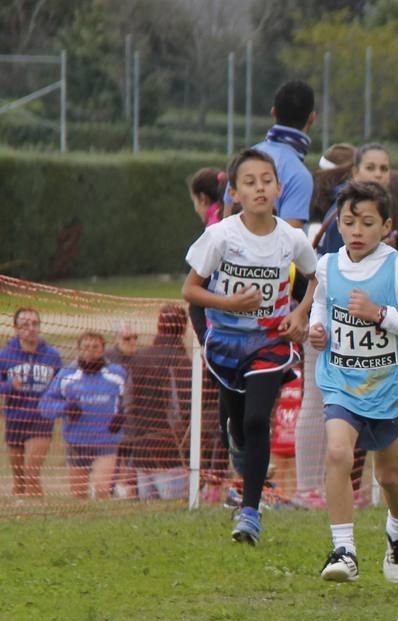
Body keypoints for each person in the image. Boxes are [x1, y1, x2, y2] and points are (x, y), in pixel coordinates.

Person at [183, 147, 317, 544]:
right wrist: (229, 304)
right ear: (235, 195)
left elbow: (315, 278)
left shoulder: (292, 238)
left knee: (259, 420)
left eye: (267, 180)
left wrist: (300, 314)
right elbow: (189, 289)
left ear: (278, 188)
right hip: (225, 343)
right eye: (250, 182)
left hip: (270, 342)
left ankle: (250, 512)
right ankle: (238, 445)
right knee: (237, 426)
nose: (260, 188)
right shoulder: (220, 235)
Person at [307, 181, 398, 582]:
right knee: (338, 454)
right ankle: (344, 551)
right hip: (339, 381)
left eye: (367, 223)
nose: (357, 231)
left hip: (384, 388)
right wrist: (316, 328)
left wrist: (379, 314)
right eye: (349, 222)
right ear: (339, 225)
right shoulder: (327, 265)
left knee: (390, 477)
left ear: (387, 225)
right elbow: (321, 302)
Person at [39, 332, 128, 500]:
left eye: (95, 347)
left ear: (103, 350)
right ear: (79, 349)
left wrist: (122, 417)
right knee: (79, 495)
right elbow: (45, 406)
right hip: (77, 442)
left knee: (102, 489)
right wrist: (66, 407)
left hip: (106, 441)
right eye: (86, 347)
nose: (90, 351)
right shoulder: (67, 375)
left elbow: (131, 400)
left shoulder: (117, 374)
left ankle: (106, 517)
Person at [123, 304, 193, 501]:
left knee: (149, 516)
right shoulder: (181, 361)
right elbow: (181, 410)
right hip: (171, 454)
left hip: (141, 450)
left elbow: (127, 405)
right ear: (183, 327)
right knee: (174, 512)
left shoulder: (139, 358)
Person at [229, 80, 316, 230]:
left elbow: (227, 221)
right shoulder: (299, 175)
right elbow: (290, 246)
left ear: (273, 112)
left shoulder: (243, 161)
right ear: (312, 118)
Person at [1, 308, 63, 496]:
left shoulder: (52, 355)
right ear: (16, 328)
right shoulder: (5, 355)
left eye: (35, 324)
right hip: (15, 417)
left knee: (31, 474)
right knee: (19, 482)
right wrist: (10, 386)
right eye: (25, 325)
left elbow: (61, 385)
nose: (31, 329)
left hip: (42, 417)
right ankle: (24, 514)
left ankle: (42, 514)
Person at [314, 144, 395, 257]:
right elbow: (339, 266)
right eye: (370, 168)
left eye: (384, 169)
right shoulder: (344, 209)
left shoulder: (383, 205)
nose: (378, 174)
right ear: (355, 172)